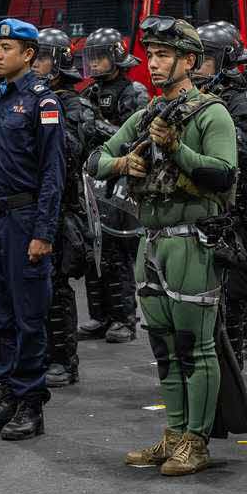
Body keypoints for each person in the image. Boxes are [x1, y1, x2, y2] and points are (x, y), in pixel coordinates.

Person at [93, 17, 239, 475]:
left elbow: (223, 173)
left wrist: (178, 150)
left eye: (162, 55)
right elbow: (95, 160)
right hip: (151, 242)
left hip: (193, 242)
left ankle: (195, 442)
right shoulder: (144, 116)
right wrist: (122, 162)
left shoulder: (212, 114)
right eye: (150, 54)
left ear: (189, 62)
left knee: (194, 345)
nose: (153, 64)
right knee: (163, 346)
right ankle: (174, 434)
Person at [0, 18, 64, 440]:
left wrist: (43, 232)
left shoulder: (44, 103)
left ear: (28, 54)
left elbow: (52, 174)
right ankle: (6, 396)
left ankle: (30, 404)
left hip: (24, 222)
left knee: (28, 317)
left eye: (7, 47)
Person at [197, 21, 247, 366]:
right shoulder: (197, 94)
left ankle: (244, 338)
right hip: (207, 198)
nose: (198, 67)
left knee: (242, 268)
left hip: (240, 194)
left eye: (205, 60)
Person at [34, 27, 96, 387]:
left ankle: (63, 359)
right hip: (32, 206)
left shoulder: (73, 105)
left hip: (61, 206)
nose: (35, 64)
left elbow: (69, 151)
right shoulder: (31, 99)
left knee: (57, 288)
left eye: (41, 57)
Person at [78, 27, 148, 343]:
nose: (93, 64)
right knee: (95, 250)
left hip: (121, 181)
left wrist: (97, 126)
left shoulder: (135, 92)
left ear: (115, 59)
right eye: (90, 58)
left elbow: (135, 138)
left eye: (100, 57)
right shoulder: (89, 93)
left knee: (119, 253)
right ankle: (101, 315)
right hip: (94, 179)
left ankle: (124, 318)